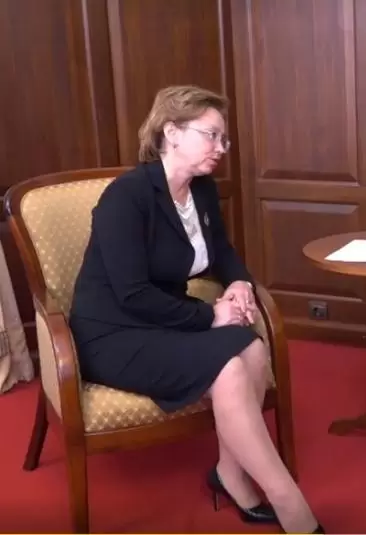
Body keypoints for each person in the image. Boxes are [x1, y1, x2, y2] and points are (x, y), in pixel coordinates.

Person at [69, 85, 324, 534]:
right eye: (212, 135)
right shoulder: (126, 197)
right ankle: (291, 504)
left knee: (252, 347)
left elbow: (221, 251)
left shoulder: (200, 190)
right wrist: (211, 316)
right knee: (228, 367)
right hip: (112, 332)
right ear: (171, 132)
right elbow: (132, 294)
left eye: (224, 139)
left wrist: (240, 282)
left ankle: (230, 474)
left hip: (164, 316)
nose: (221, 148)